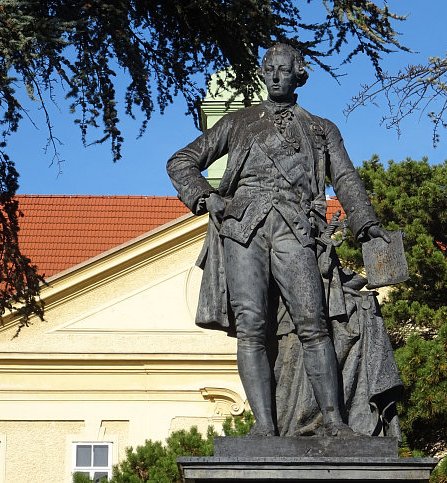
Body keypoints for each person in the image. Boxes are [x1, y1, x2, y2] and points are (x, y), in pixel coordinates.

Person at [167, 43, 390, 437]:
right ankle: (264, 428)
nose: (274, 76)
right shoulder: (238, 122)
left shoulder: (321, 129)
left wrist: (366, 223)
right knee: (251, 326)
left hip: (295, 228)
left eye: (283, 70)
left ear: (298, 74)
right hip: (243, 229)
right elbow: (182, 160)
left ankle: (334, 422)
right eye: (268, 69)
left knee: (314, 323)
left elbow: (346, 178)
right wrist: (206, 196)